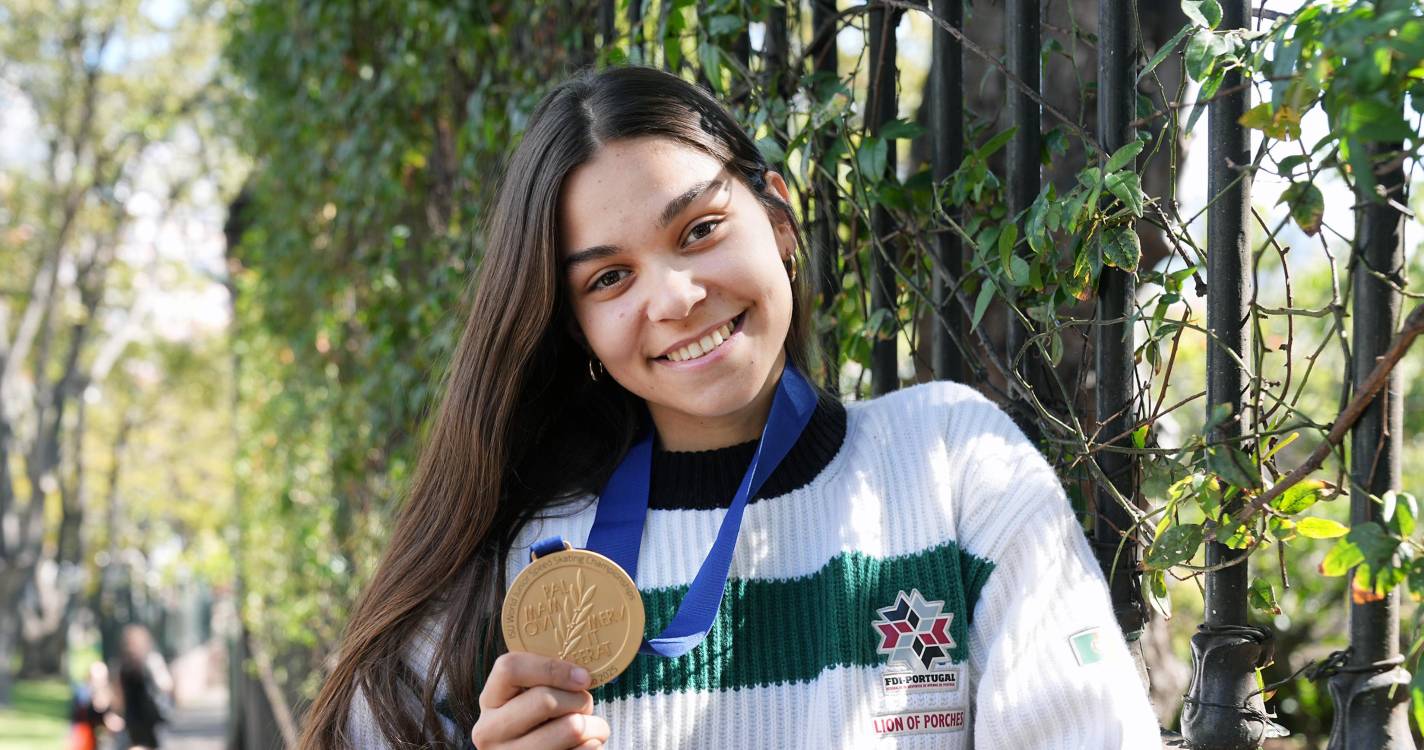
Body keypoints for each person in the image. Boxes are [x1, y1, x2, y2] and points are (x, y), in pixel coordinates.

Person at [299, 65, 1161, 749]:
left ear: (779, 219)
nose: (672, 298)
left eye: (699, 230)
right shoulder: (521, 556)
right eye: (609, 278)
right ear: (575, 329)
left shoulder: (951, 460)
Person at [115, 625, 170, 749]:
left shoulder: (124, 665)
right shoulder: (150, 660)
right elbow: (166, 685)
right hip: (148, 719)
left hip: (141, 719)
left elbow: (119, 698)